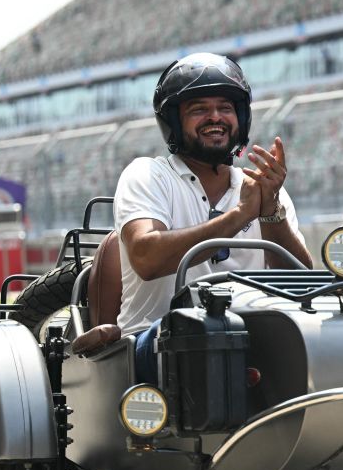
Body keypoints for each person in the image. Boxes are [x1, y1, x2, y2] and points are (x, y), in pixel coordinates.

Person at [114, 52, 312, 383]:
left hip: (250, 344)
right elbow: (146, 257)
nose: (215, 117)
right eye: (199, 109)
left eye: (225, 107)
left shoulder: (262, 189)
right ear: (174, 121)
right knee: (209, 339)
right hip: (158, 348)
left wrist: (271, 212)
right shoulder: (147, 174)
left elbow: (304, 286)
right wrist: (238, 217)